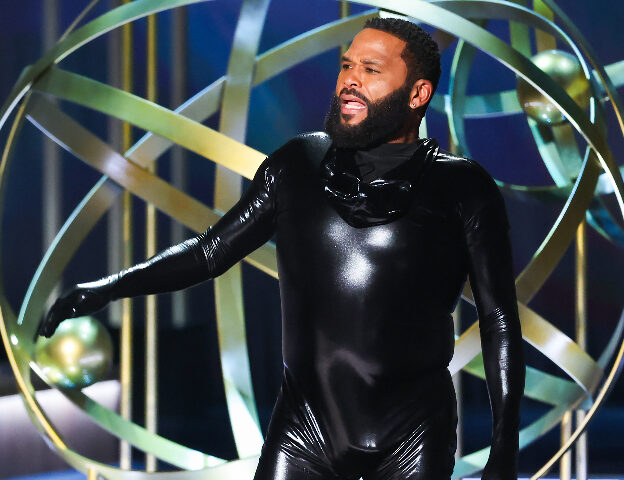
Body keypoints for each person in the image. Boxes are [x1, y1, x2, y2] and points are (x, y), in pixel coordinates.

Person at [37, 18, 524, 480]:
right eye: (347, 66)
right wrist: (108, 287)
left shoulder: (462, 187)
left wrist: (504, 448)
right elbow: (210, 252)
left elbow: (499, 318)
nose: (349, 81)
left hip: (412, 433)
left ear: (418, 93)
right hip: (305, 429)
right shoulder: (298, 164)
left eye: (370, 70)